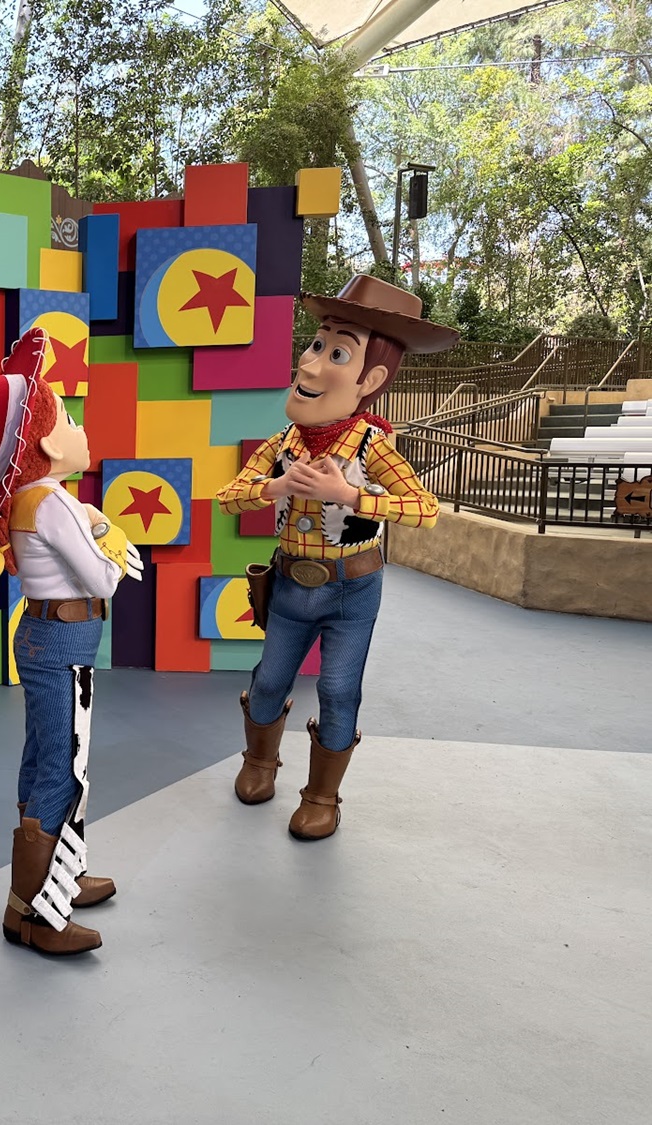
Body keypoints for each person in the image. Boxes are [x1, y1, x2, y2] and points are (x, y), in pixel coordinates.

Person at [215, 275, 458, 841]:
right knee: (269, 679)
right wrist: (277, 487)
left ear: (370, 380)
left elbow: (425, 509)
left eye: (337, 353)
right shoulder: (282, 444)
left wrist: (349, 495)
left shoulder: (373, 446)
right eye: (316, 344)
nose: (311, 362)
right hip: (289, 585)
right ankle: (259, 762)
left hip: (352, 589)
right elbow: (228, 497)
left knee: (338, 690)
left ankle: (323, 795)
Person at [0, 327, 143, 956]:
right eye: (69, 418)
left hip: (44, 637)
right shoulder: (55, 503)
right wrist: (108, 532)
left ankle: (64, 878)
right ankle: (33, 913)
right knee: (62, 768)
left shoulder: (29, 500)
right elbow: (104, 580)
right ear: (47, 443)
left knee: (47, 761)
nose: (79, 426)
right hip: (63, 642)